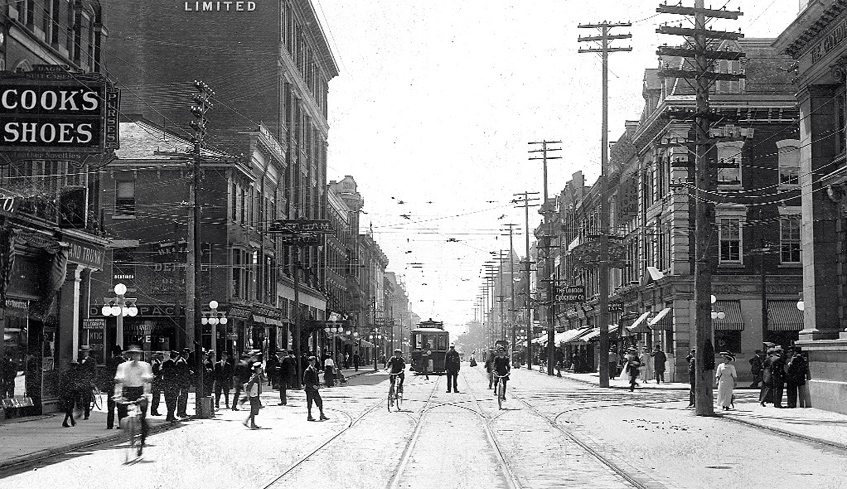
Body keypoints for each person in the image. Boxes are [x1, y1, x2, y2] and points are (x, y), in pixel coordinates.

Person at [113, 345, 153, 455]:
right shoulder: (123, 366)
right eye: (133, 354)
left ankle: (142, 440)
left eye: (137, 354)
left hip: (140, 391)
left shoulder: (145, 366)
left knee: (143, 417)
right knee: (121, 411)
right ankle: (125, 430)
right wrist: (117, 395)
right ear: (129, 355)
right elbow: (119, 380)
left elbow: (147, 381)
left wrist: (145, 394)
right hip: (127, 391)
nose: (135, 357)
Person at [105, 346, 125, 428]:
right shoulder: (124, 362)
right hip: (120, 386)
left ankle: (109, 424)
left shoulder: (110, 361)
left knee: (110, 407)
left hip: (111, 385)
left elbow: (107, 374)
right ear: (120, 353)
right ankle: (121, 423)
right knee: (120, 407)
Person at [303, 356, 328, 421]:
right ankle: (309, 415)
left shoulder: (315, 369)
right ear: (309, 362)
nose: (313, 363)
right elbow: (305, 381)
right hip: (309, 389)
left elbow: (316, 379)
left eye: (314, 362)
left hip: (315, 389)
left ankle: (321, 414)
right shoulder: (307, 370)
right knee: (309, 403)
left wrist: (318, 385)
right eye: (312, 362)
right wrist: (312, 386)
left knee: (319, 401)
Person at [243, 362, 263, 429]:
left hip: (255, 395)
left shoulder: (256, 376)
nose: (261, 370)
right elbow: (249, 385)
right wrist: (248, 395)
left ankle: (249, 422)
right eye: (260, 369)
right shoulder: (255, 377)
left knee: (254, 409)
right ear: (257, 369)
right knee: (253, 410)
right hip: (253, 395)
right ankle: (251, 423)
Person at [78, 345, 96, 420]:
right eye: (83, 352)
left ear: (88, 352)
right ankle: (80, 411)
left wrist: (92, 381)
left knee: (87, 399)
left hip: (88, 382)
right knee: (78, 397)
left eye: (85, 352)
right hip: (80, 382)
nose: (84, 353)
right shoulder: (79, 360)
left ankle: (86, 414)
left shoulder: (92, 361)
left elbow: (94, 372)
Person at [59, 362, 79, 428]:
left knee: (69, 407)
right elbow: (73, 384)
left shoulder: (67, 373)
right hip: (70, 392)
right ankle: (68, 421)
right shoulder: (73, 374)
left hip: (67, 392)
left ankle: (70, 421)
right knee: (70, 407)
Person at [161, 350, 179, 421]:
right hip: (173, 385)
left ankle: (169, 415)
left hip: (166, 384)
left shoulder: (165, 363)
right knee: (173, 400)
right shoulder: (173, 364)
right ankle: (171, 415)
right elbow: (175, 374)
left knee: (168, 400)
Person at [174, 350, 191, 418]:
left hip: (185, 383)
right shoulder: (180, 362)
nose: (188, 356)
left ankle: (183, 411)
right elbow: (180, 374)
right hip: (182, 383)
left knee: (184, 398)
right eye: (187, 355)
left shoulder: (184, 362)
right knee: (182, 398)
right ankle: (181, 412)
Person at [150, 351, 163, 416]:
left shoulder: (158, 363)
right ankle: (154, 411)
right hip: (156, 383)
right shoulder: (156, 364)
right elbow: (155, 374)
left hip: (158, 383)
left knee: (157, 397)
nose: (162, 357)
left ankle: (154, 410)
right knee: (156, 397)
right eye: (161, 356)